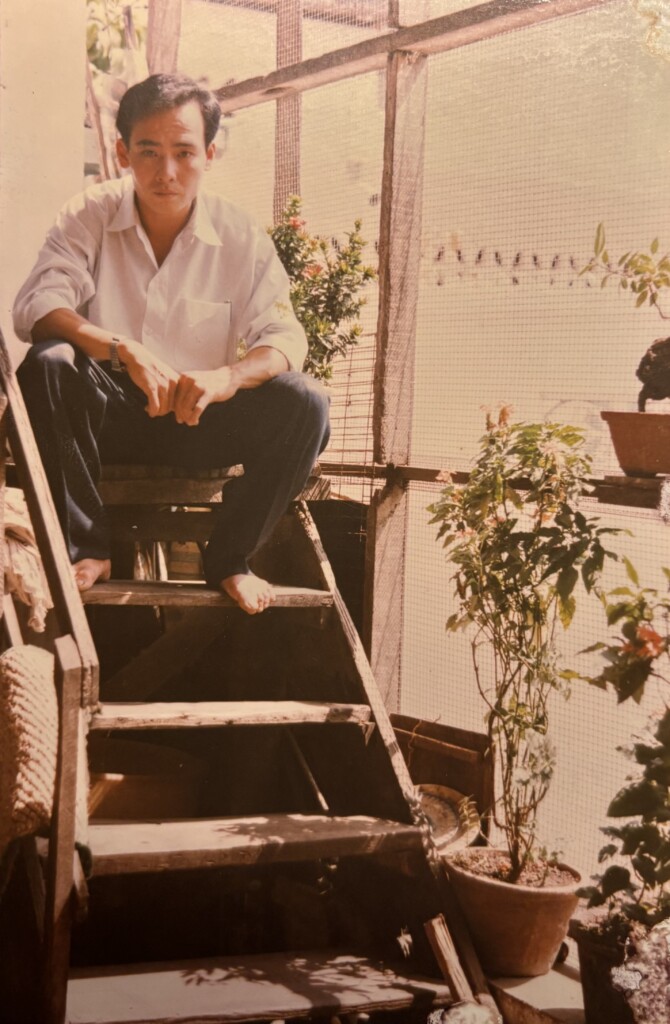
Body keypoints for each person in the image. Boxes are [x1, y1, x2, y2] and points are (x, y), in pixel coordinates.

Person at [13, 73, 330, 615]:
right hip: (103, 423)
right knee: (49, 361)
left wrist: (226, 378)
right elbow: (37, 308)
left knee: (305, 401)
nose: (167, 172)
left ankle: (230, 558)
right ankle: (86, 547)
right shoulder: (87, 214)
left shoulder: (239, 235)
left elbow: (283, 337)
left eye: (184, 152)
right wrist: (122, 349)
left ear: (208, 153)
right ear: (122, 151)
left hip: (199, 422)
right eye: (149, 152)